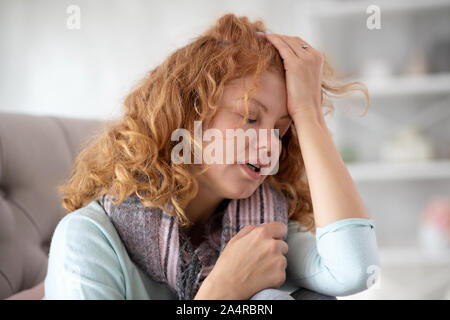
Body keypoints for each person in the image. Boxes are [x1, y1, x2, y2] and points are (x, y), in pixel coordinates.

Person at [43, 13, 379, 300]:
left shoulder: (262, 224)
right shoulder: (88, 239)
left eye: (280, 130)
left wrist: (309, 115)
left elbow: (355, 270)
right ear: (188, 114)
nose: (269, 147)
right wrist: (221, 291)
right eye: (249, 117)